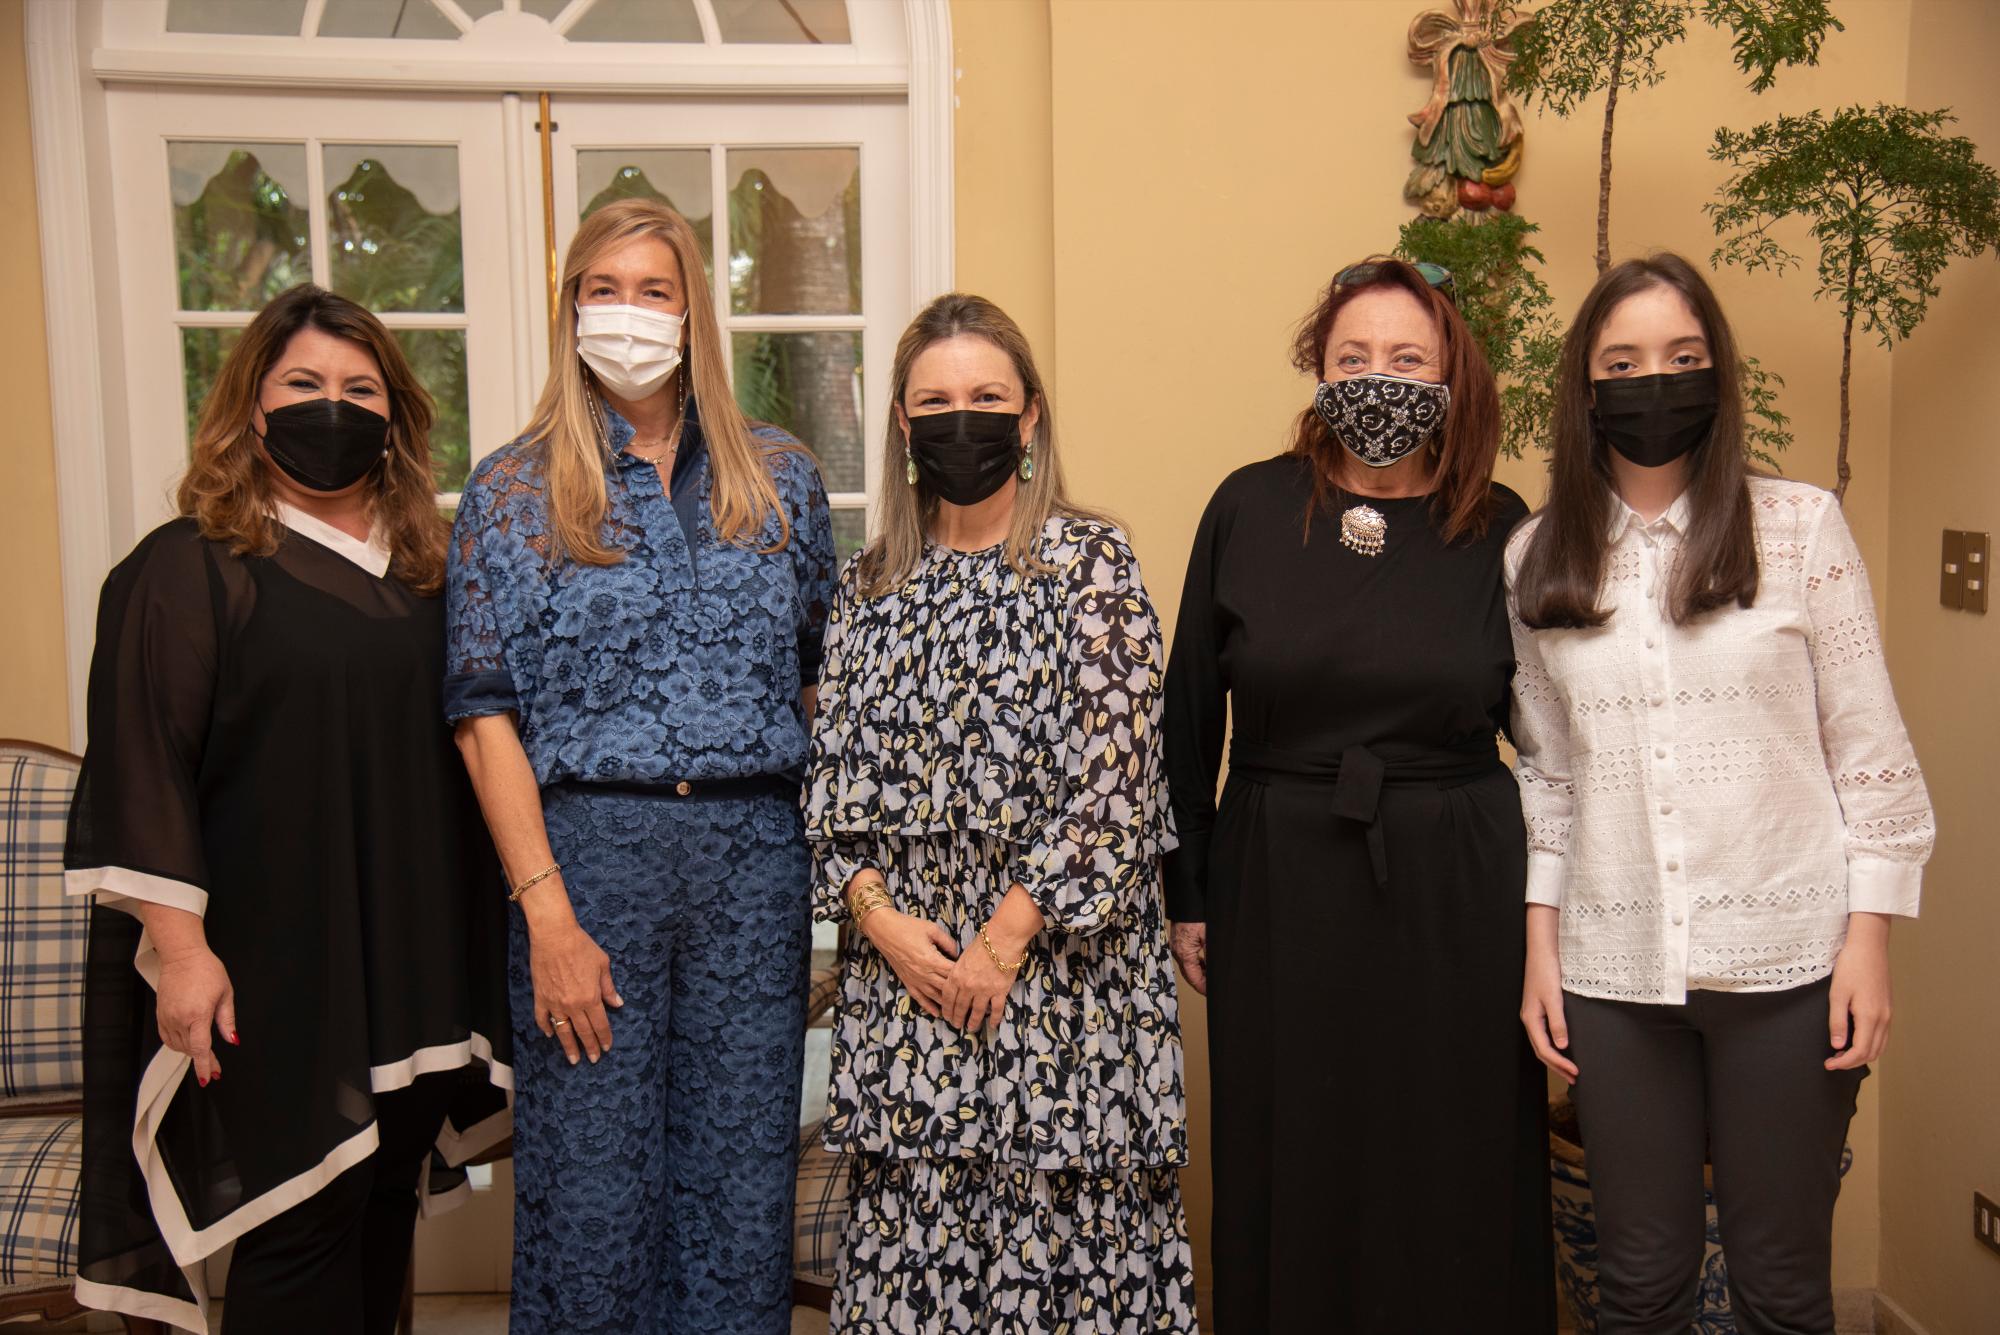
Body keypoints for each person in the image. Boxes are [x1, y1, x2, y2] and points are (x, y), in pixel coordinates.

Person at [65, 285, 512, 1335]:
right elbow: (143, 765)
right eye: (304, 384)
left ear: (394, 416)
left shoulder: (424, 573)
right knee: (299, 1217)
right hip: (270, 969)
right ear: (251, 408)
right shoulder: (188, 569)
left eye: (361, 388)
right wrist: (181, 953)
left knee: (379, 1201)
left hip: (409, 964)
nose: (333, 406)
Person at [1508, 253, 1934, 1334]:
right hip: (1612, 973)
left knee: (1779, 1286)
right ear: (1585, 387)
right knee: (1637, 1285)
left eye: (1680, 357)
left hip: (1790, 966)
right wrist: (1539, 951)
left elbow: (1868, 749)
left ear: (1717, 373)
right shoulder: (1532, 559)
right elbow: (1549, 777)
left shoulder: (1798, 530)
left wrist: (1868, 941)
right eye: (1623, 361)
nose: (1653, 381)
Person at [445, 198, 833, 1334]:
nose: (629, 312)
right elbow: (483, 720)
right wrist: (547, 916)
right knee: (593, 1195)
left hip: (752, 870)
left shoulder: (780, 479)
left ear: (692, 310)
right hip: (588, 871)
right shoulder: (512, 490)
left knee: (738, 1186)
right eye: (603, 289)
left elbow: (819, 685)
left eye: (654, 290)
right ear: (570, 309)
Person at [1164, 258, 1556, 1332]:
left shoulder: (1501, 520)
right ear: (1315, 370)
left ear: (1449, 379)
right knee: (1300, 1146)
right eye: (1351, 358)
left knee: (1453, 1149)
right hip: (1279, 873)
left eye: (1404, 359)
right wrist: (1185, 891)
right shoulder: (1248, 506)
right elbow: (1189, 713)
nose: (1375, 378)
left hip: (1457, 879)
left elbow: (1554, 728)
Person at [802, 292, 1196, 1333]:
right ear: (898, 423)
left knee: (1072, 1280)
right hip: (911, 996)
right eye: (933, 400)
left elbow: (1117, 785)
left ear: (1028, 419)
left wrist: (1002, 942)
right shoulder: (868, 588)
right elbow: (829, 800)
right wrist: (884, 929)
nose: (958, 419)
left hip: (1062, 992)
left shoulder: (1089, 566)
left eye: (985, 396)